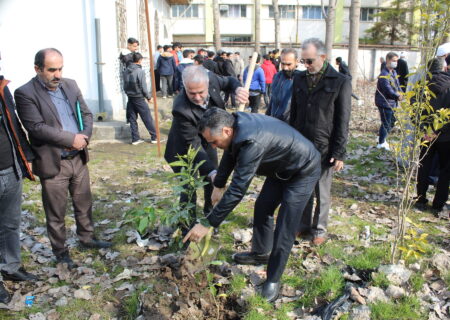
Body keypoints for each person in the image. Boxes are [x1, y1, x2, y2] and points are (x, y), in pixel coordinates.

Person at [183, 108, 321, 302]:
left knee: (285, 226)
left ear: (226, 131)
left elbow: (238, 190)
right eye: (209, 142)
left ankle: (273, 279)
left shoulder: (251, 143)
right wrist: (219, 184)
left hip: (303, 170)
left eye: (214, 142)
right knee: (263, 208)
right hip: (280, 168)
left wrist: (208, 223)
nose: (212, 147)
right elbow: (230, 154)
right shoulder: (235, 127)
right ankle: (261, 252)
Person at [15, 48, 111, 270]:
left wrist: (84, 137)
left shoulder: (70, 84)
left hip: (78, 157)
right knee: (56, 212)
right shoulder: (25, 93)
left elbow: (86, 114)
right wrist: (70, 139)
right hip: (53, 162)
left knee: (83, 202)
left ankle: (87, 238)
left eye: (60, 68)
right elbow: (36, 128)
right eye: (51, 70)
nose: (58, 75)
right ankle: (60, 252)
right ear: (37, 69)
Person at [164, 66, 248, 226]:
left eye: (201, 92)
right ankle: (187, 224)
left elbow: (230, 81)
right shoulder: (180, 108)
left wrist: (237, 89)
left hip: (208, 141)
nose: (197, 97)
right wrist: (212, 172)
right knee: (188, 187)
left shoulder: (213, 79)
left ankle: (210, 217)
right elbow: (193, 146)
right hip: (184, 149)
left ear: (208, 84)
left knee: (212, 182)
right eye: (191, 93)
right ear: (184, 87)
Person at [290, 38, 352, 245]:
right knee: (303, 187)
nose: (305, 65)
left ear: (323, 57)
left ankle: (320, 229)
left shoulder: (340, 81)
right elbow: (295, 112)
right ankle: (302, 225)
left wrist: (339, 151)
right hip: (301, 143)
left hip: (324, 146)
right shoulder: (299, 79)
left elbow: (343, 119)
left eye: (309, 61)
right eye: (303, 61)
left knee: (322, 191)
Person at [0, 56, 38, 304]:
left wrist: (28, 156)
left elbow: (14, 125)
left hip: (10, 168)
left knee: (10, 223)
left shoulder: (4, 89)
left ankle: (10, 266)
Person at [415, 57, 450, 216]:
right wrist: (439, 130)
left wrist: (425, 129)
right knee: (445, 171)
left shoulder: (420, 86)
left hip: (426, 136)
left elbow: (413, 111)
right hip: (446, 136)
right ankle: (438, 204)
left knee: (423, 166)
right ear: (444, 68)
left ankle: (421, 199)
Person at [123, 52, 157, 145]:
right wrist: (148, 97)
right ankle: (154, 137)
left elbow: (124, 84)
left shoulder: (126, 70)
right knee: (147, 117)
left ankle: (135, 139)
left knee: (132, 118)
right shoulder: (140, 71)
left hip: (130, 97)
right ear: (140, 60)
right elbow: (143, 86)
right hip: (138, 97)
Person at [375, 52, 403, 150]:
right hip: (384, 102)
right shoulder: (384, 75)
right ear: (387, 60)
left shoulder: (393, 72)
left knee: (392, 121)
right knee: (386, 122)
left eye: (396, 61)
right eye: (393, 61)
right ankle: (381, 143)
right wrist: (397, 96)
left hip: (392, 102)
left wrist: (402, 93)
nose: (396, 63)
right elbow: (388, 89)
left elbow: (397, 85)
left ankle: (381, 137)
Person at [266, 48, 299, 122]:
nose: (285, 68)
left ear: (296, 62)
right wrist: (267, 117)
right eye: (283, 64)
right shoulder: (277, 76)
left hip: (289, 124)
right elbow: (272, 100)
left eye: (289, 64)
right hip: (274, 121)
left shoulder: (300, 79)